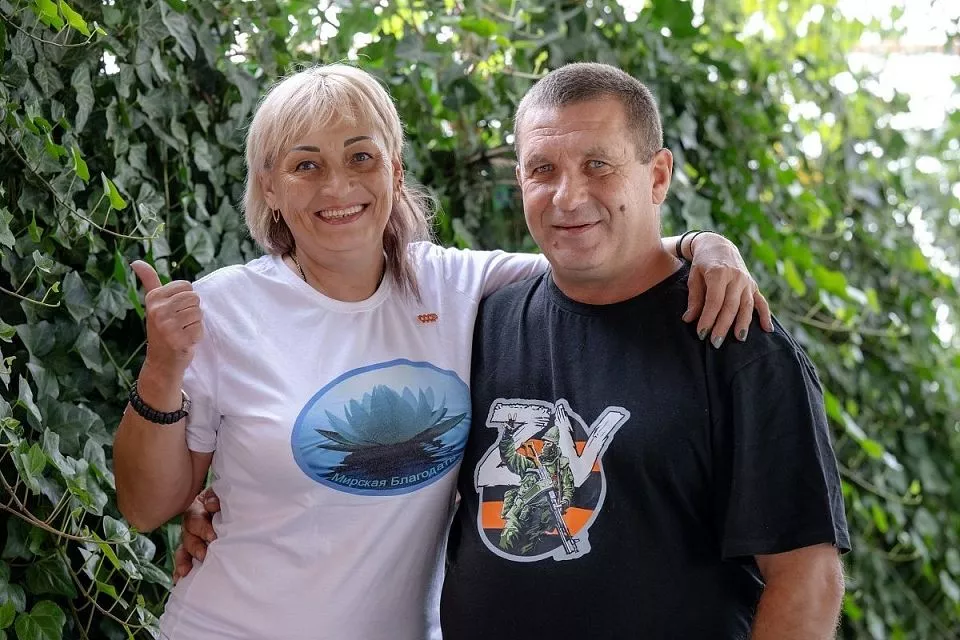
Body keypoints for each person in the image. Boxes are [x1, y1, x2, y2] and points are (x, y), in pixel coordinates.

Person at [115, 64, 768, 640]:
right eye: (305, 165)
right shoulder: (224, 308)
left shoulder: (457, 286)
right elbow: (147, 508)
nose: (337, 186)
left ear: (395, 172)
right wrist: (163, 368)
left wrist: (704, 246)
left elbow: (597, 255)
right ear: (269, 188)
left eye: (361, 157)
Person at [437, 62, 850, 639]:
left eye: (598, 165)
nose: (567, 196)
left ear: (657, 177)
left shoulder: (734, 341)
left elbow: (806, 578)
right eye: (543, 169)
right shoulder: (483, 321)